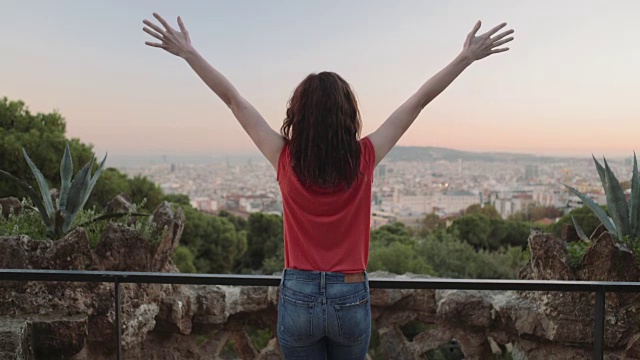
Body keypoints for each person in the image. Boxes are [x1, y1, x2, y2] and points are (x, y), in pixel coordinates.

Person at [143, 13, 513, 360]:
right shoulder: (364, 157)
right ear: (348, 115)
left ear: (298, 115)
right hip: (350, 291)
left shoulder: (284, 158)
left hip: (298, 291)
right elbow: (417, 102)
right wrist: (465, 58)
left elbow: (233, 101)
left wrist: (190, 54)